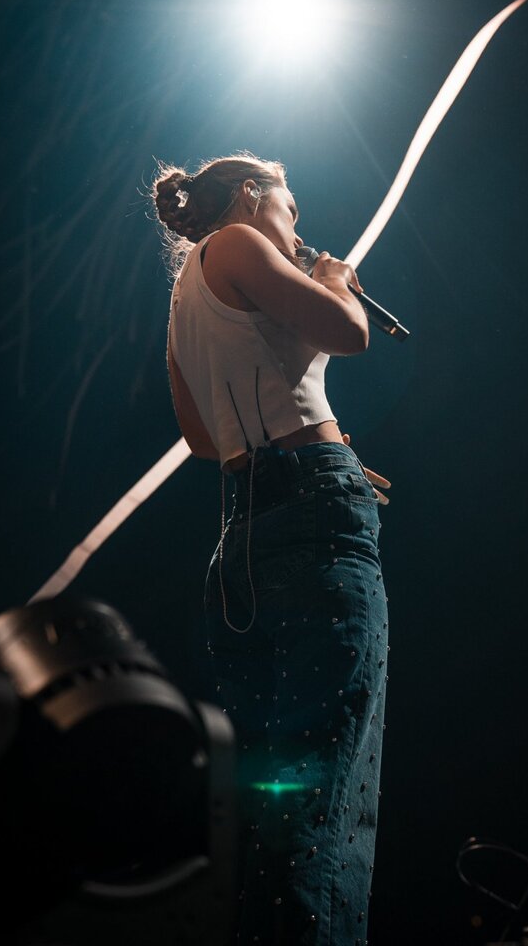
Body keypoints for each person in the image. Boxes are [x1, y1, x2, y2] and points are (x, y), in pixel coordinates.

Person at [152, 153, 390, 946]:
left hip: (244, 537)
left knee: (273, 797)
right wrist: (337, 283)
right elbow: (351, 333)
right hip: (312, 513)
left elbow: (202, 438)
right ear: (252, 197)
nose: (295, 229)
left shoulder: (184, 293)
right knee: (328, 785)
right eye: (291, 210)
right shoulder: (238, 242)